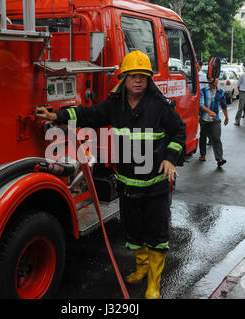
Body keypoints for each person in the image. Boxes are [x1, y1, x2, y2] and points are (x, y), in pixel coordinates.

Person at [35, 50, 186, 299]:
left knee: (157, 233)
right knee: (133, 230)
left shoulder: (160, 106)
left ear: (149, 79)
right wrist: (57, 115)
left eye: (143, 76)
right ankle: (141, 268)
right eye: (133, 76)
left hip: (155, 186)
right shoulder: (114, 105)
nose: (138, 80)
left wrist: (170, 158)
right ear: (124, 78)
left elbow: (179, 131)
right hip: (127, 186)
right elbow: (87, 114)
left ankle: (154, 283)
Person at [198, 76, 229, 167]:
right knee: (203, 137)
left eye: (216, 79)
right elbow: (200, 104)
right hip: (204, 118)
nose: (215, 80)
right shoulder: (203, 91)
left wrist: (227, 117)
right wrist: (209, 112)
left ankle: (219, 158)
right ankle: (203, 155)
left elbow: (224, 105)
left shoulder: (221, 92)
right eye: (213, 79)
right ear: (209, 80)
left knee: (216, 138)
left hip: (215, 119)